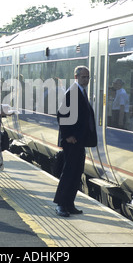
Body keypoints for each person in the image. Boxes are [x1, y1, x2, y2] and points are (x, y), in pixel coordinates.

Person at [54, 66, 97, 217]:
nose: (86, 80)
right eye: (84, 77)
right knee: (69, 172)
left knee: (76, 173)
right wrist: (67, 136)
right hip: (71, 141)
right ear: (76, 77)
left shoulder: (81, 91)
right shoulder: (72, 92)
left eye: (88, 77)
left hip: (79, 141)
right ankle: (61, 204)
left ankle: (69, 203)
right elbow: (61, 114)